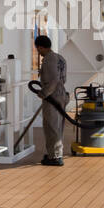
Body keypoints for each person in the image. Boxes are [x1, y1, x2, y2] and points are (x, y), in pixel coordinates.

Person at [34, 34, 67, 166]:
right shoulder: (61, 58)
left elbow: (53, 80)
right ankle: (54, 153)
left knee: (51, 126)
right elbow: (63, 79)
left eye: (38, 49)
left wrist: (44, 93)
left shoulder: (48, 59)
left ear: (41, 47)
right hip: (62, 94)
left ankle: (55, 157)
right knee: (58, 126)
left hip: (52, 96)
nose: (38, 52)